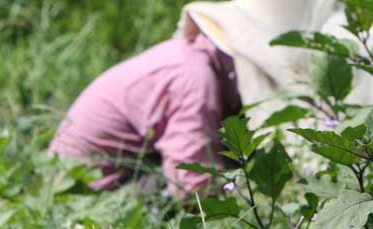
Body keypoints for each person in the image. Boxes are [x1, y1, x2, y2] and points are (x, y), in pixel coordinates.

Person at [48, 31, 240, 196]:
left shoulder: (187, 53)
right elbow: (193, 186)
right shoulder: (196, 79)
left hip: (66, 180)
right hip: (90, 196)